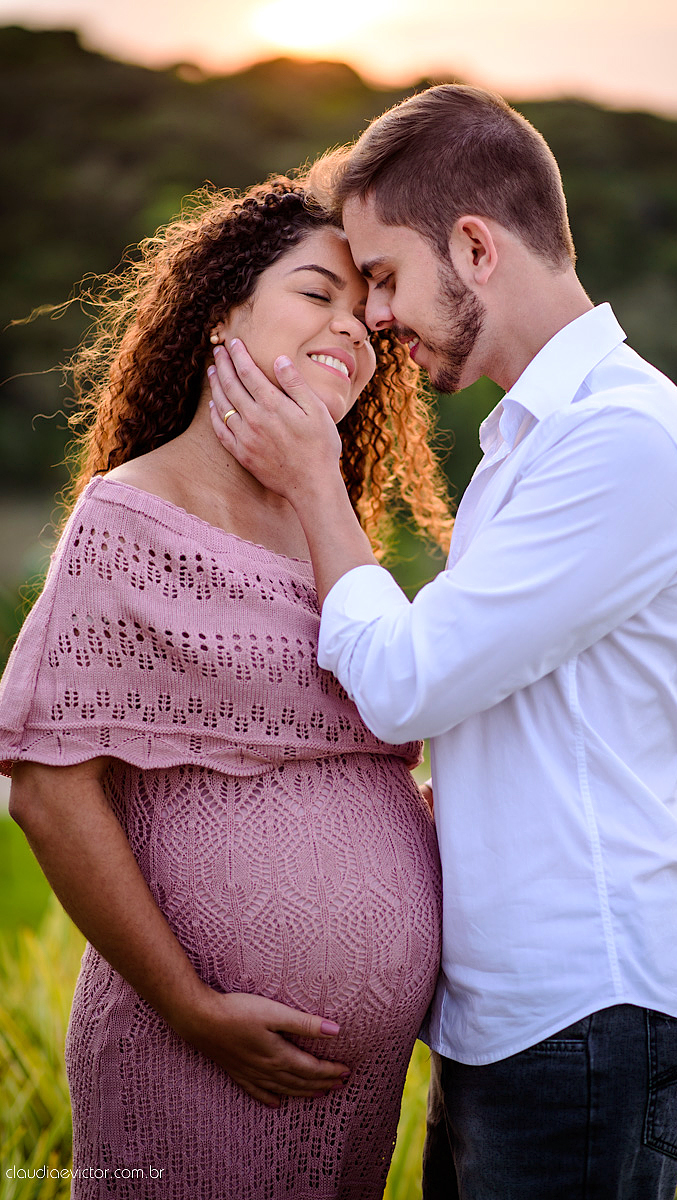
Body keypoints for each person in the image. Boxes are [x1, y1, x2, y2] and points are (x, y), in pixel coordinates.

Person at [206, 86, 677, 1199]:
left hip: (584, 1011)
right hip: (518, 1026)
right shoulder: (530, 446)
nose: (378, 317)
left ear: (477, 247)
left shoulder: (621, 440)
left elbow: (407, 683)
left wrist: (311, 484)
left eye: (385, 276)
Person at [0, 177, 451, 1199]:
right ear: (220, 315)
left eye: (365, 309)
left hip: (355, 1080)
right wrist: (193, 1008)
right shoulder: (129, 520)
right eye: (315, 294)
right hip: (190, 1052)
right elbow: (46, 787)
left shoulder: (334, 538)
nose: (354, 326)